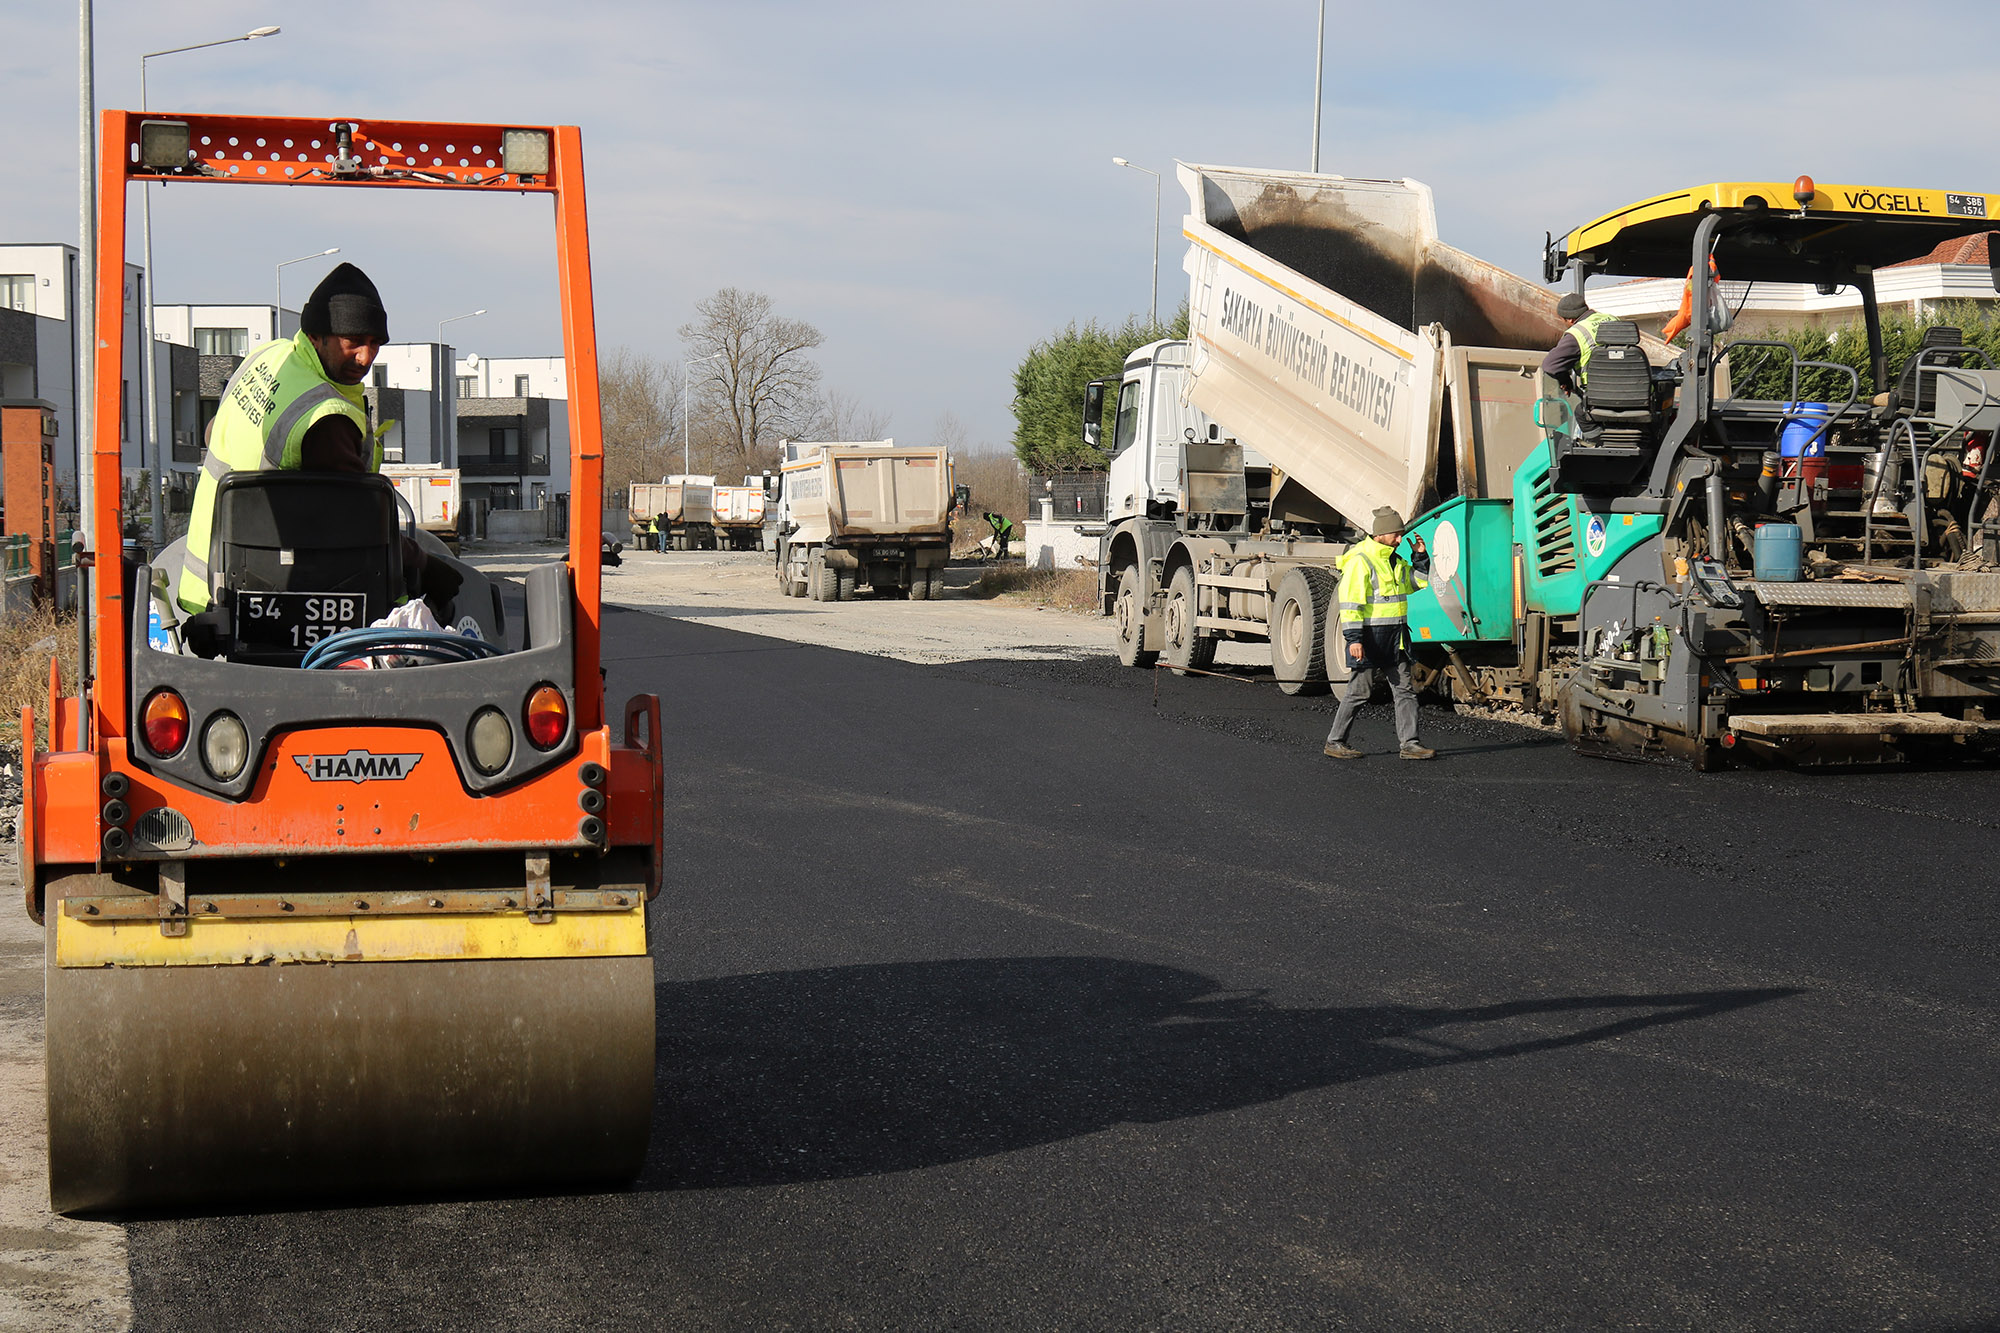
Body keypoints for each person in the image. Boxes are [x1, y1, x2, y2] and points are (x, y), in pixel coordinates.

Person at [177, 262, 394, 614]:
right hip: (281, 607)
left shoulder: (268, 358)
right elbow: (363, 525)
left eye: (375, 343)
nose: (366, 357)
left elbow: (214, 430)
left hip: (208, 586)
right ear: (315, 336)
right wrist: (427, 568)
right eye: (353, 342)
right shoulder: (326, 417)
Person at [1323, 507, 1434, 761]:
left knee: (1405, 691)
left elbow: (1416, 583)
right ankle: (1335, 741)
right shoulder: (1361, 560)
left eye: (1400, 534)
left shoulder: (1394, 559)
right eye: (1396, 535)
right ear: (1380, 534)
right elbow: (1350, 603)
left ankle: (1410, 744)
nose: (1399, 540)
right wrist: (1354, 640)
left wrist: (1420, 557)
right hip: (1370, 639)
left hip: (1396, 639)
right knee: (1359, 692)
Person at [1539, 291, 1616, 396]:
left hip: (1601, 395)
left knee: (1578, 412)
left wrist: (1565, 380)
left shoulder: (1577, 333)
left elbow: (1550, 365)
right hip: (1634, 390)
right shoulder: (1612, 319)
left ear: (1570, 319)